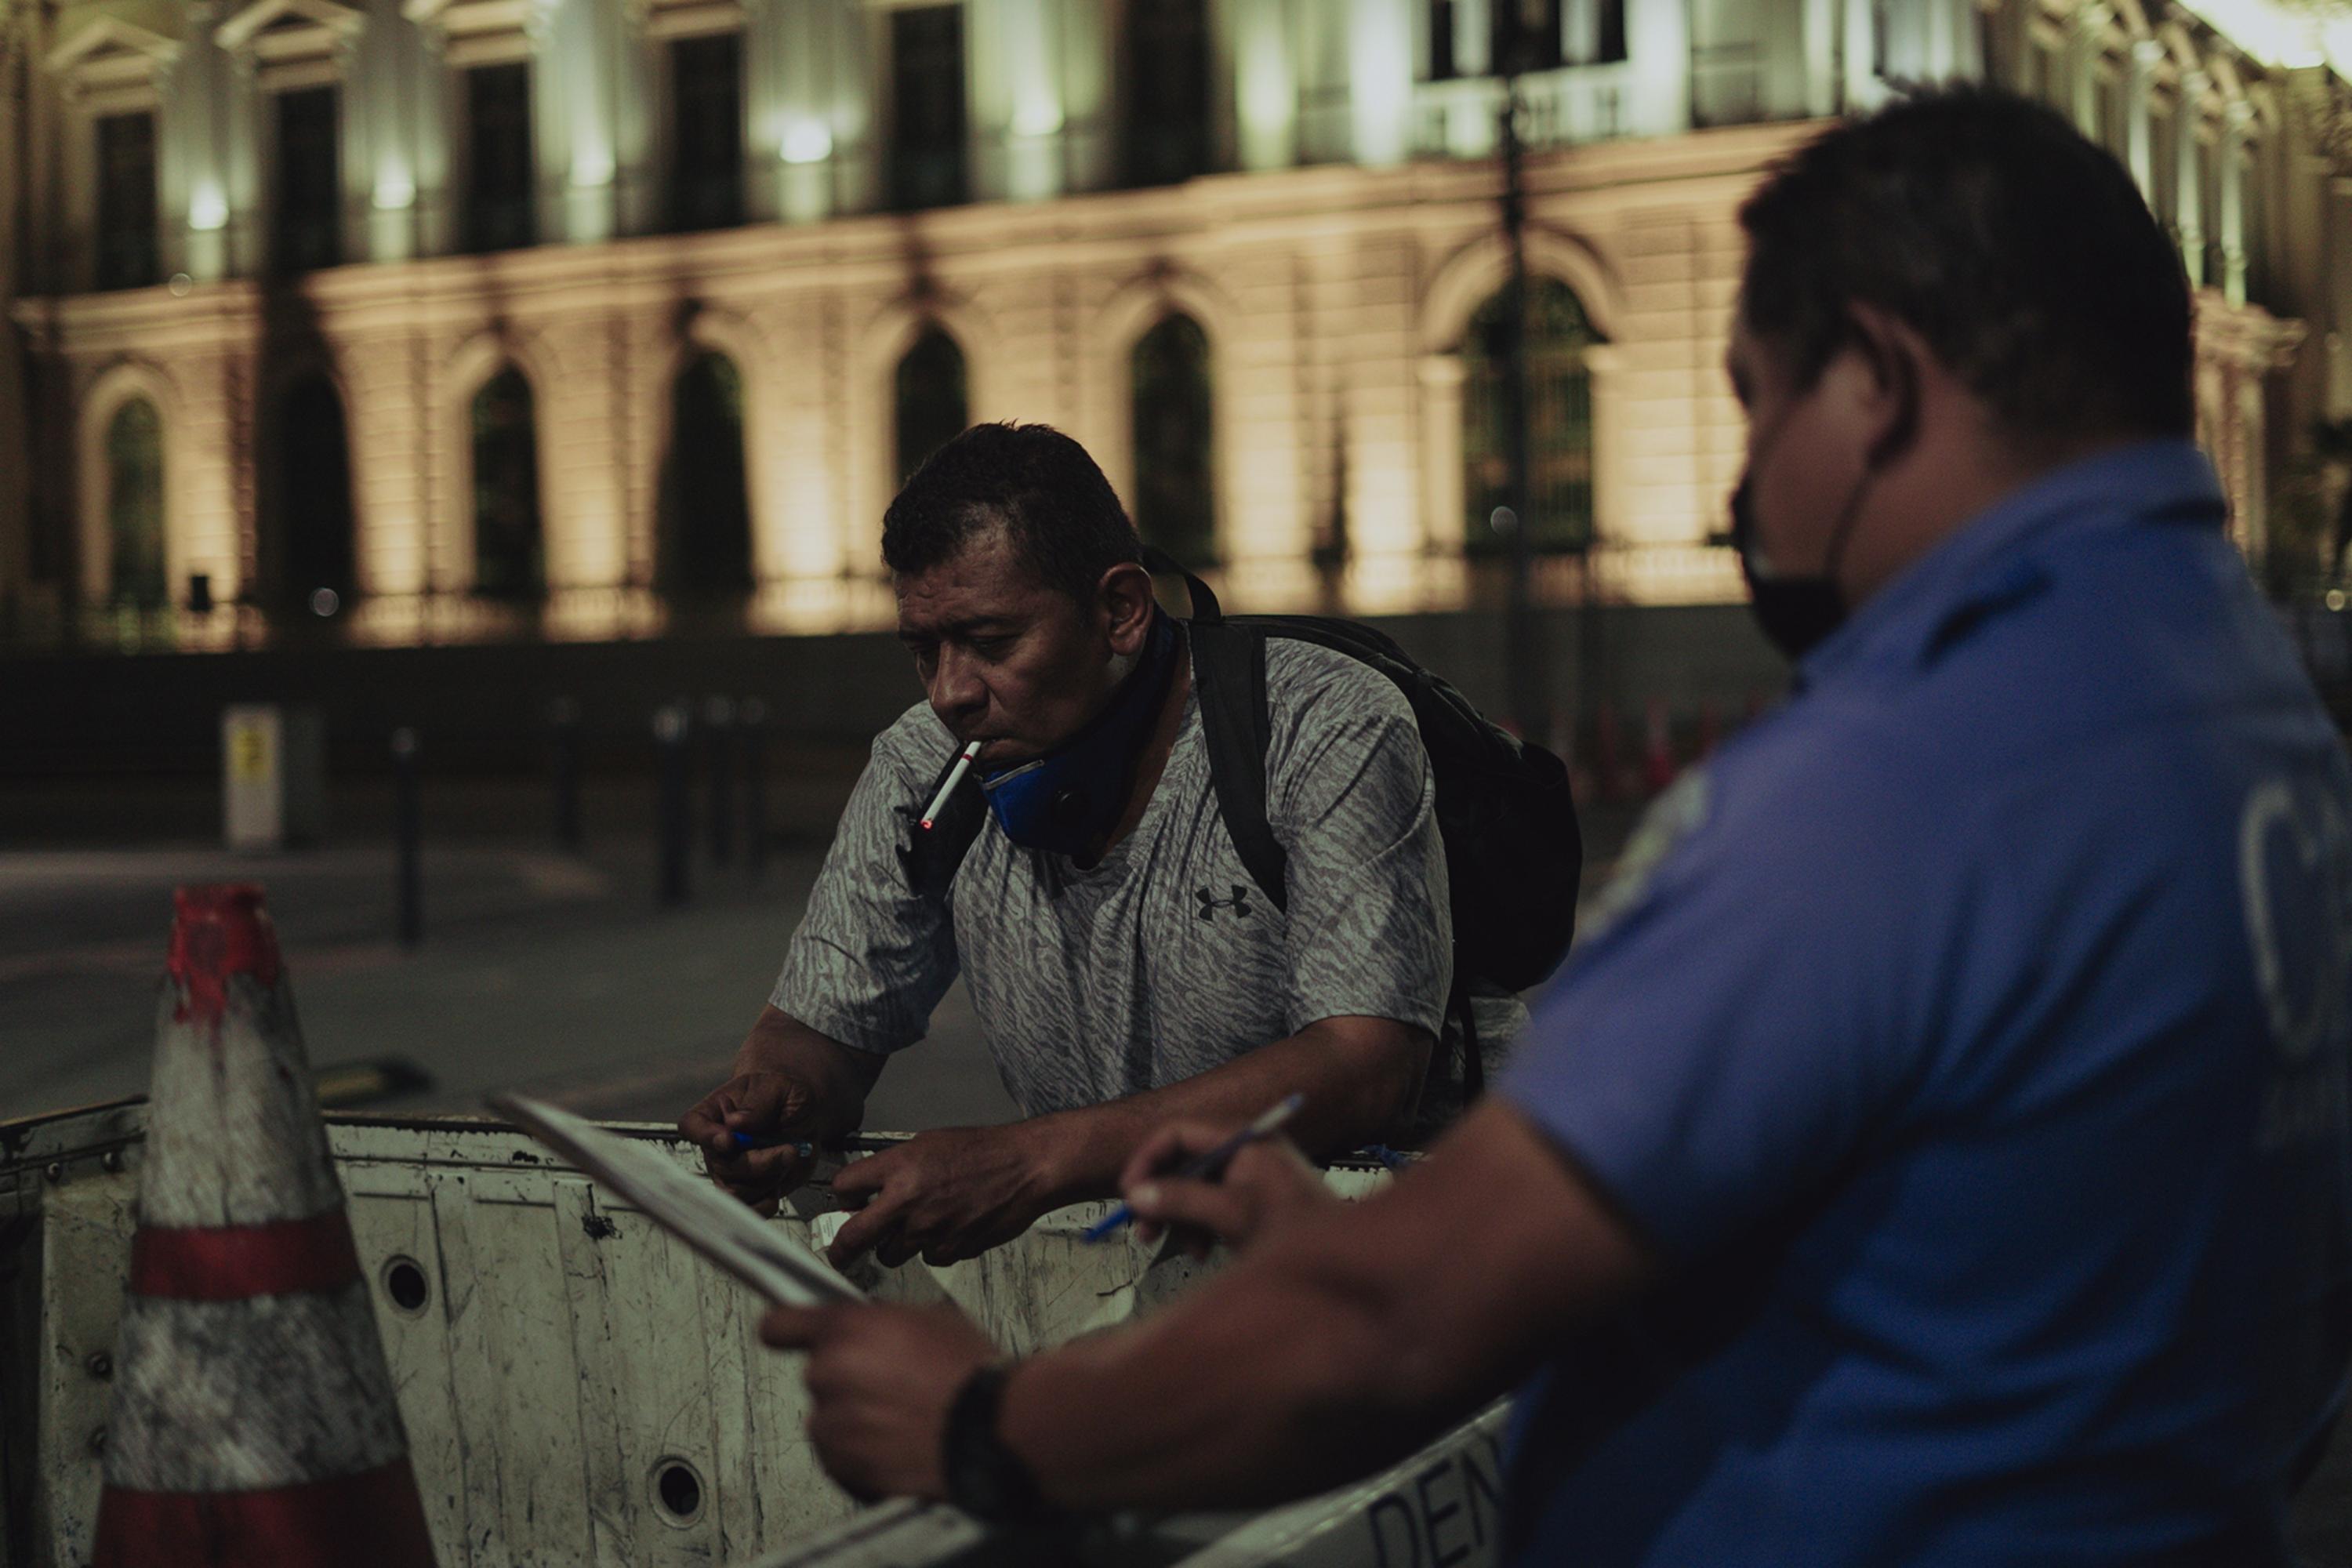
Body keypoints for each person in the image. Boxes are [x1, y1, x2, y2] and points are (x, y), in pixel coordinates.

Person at [758, 87, 2352, 1564]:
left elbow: (1394, 1333)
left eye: (1752, 406)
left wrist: (984, 1420)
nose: (1744, 492)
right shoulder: (2254, 715)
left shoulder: (1896, 788)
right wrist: (1364, 1231)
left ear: (1872, 382)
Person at [682, 422, 1512, 1269]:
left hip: (1402, 1266)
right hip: (1145, 1276)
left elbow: (1365, 1065)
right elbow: (820, 1025)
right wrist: (779, 1094)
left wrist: (1030, 1159)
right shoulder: (921, 766)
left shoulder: (1321, 725)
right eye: (923, 649)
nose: (951, 691)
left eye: (992, 642)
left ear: (1119, 609)